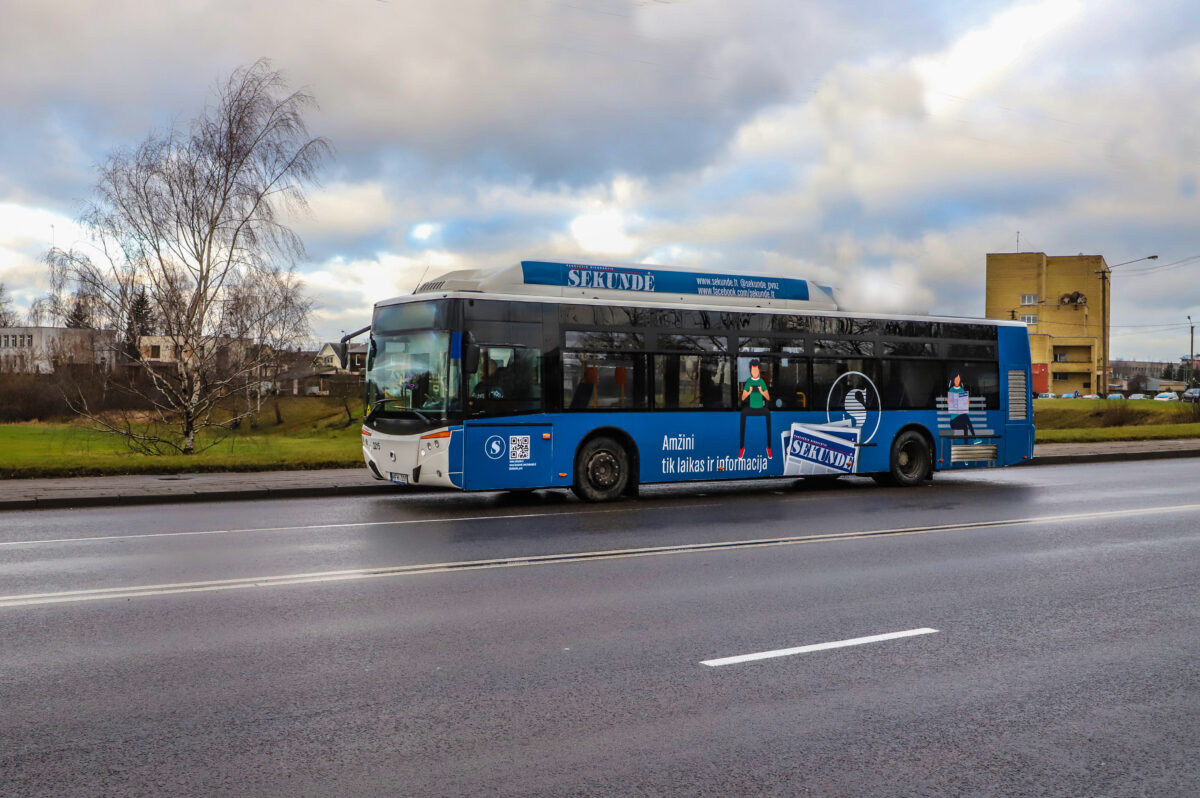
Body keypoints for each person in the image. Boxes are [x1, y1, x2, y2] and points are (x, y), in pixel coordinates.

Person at [739, 359, 772, 458]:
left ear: (759, 371)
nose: (754, 372)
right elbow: (743, 398)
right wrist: (748, 392)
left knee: (768, 414)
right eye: (753, 371)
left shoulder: (761, 382)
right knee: (743, 414)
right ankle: (741, 448)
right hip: (751, 408)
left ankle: (769, 447)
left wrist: (762, 391)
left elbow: (768, 397)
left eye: (756, 370)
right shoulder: (749, 382)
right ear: (750, 371)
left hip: (761, 408)